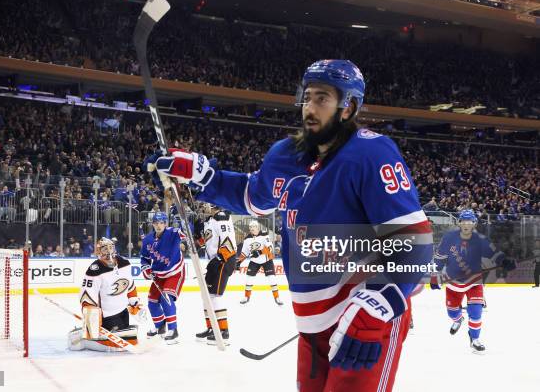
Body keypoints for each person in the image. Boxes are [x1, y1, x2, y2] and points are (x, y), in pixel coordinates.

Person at [147, 59, 434, 391]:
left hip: (366, 314)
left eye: (322, 98)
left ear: (348, 106)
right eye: (307, 96)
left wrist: (377, 304)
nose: (309, 108)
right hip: (312, 322)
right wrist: (202, 175)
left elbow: (414, 243)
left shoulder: (372, 153)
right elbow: (251, 196)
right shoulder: (285, 154)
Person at [431, 209, 515, 353]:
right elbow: (439, 258)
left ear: (474, 223)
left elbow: (494, 254)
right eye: (464, 221)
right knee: (452, 313)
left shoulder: (481, 240)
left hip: (474, 281)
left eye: (470, 221)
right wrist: (434, 276)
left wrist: (504, 260)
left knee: (476, 312)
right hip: (453, 283)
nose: (466, 224)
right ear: (459, 222)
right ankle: (458, 320)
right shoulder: (449, 238)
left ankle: (475, 339)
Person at [68, 237, 142, 352]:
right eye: (104, 249)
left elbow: (130, 284)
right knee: (118, 346)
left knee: (128, 338)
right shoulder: (94, 269)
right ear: (98, 251)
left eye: (110, 248)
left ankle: (90, 335)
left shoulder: (124, 263)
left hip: (123, 312)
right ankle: (85, 337)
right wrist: (91, 316)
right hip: (107, 316)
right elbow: (87, 294)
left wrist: (134, 302)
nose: (108, 252)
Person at [194, 205, 237, 345]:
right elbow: (209, 241)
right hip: (214, 261)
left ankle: (223, 331)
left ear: (212, 204)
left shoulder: (222, 216)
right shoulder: (210, 220)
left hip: (223, 260)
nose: (201, 206)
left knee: (215, 296)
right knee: (207, 296)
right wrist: (195, 243)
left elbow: (228, 240)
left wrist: (219, 259)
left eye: (204, 203)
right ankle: (212, 327)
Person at [140, 212, 185, 344]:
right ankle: (160, 326)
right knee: (152, 301)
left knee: (166, 297)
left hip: (174, 272)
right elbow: (144, 258)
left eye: (161, 223)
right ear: (153, 224)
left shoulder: (173, 233)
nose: (159, 225)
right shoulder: (147, 240)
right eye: (156, 223)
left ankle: (173, 330)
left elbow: (185, 232)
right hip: (158, 274)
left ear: (165, 223)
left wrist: (184, 221)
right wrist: (146, 268)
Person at [237, 220, 283, 305]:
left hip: (267, 260)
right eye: (250, 227)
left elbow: (270, 248)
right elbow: (244, 252)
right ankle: (246, 297)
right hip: (254, 261)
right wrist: (239, 262)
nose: (251, 228)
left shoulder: (264, 234)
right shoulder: (247, 239)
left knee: (272, 278)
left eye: (253, 227)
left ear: (257, 227)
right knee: (249, 279)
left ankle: (277, 297)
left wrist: (259, 252)